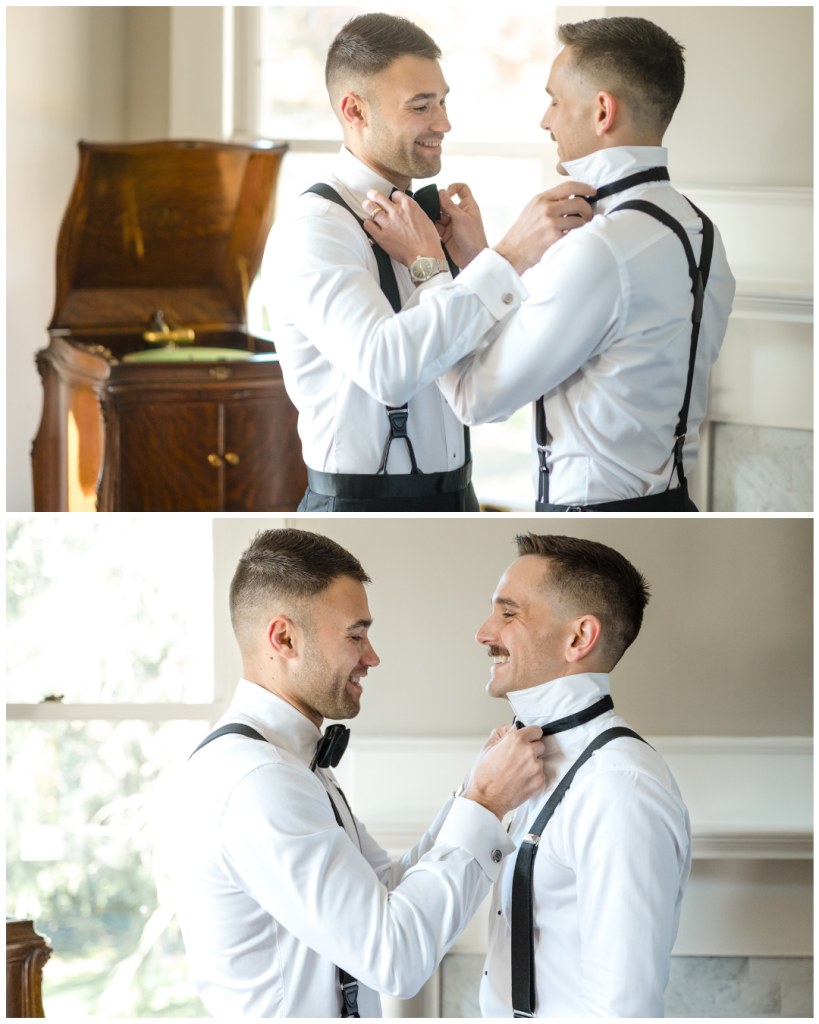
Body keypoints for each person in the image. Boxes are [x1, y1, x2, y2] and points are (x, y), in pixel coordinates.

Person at [167, 528, 547, 1018]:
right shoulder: (258, 783)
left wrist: (474, 792)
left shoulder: (289, 763)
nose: (372, 656)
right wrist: (487, 805)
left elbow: (386, 889)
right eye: (355, 635)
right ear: (283, 638)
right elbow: (395, 958)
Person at [363, 16, 737, 511]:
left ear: (602, 111)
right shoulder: (700, 229)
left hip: (593, 516)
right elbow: (563, 341)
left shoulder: (600, 248)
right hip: (676, 504)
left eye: (555, 100)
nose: (546, 121)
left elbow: (477, 398)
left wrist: (429, 267)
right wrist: (479, 259)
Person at [262, 13, 593, 512]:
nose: (443, 123)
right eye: (421, 106)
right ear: (355, 110)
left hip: (461, 497)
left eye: (442, 101)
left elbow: (487, 384)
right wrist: (508, 257)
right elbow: (386, 368)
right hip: (361, 509)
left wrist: (472, 260)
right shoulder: (315, 230)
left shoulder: (431, 228)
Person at [474, 533, 691, 1016]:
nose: (484, 632)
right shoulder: (513, 761)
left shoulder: (618, 787)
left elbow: (622, 1009)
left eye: (508, 614)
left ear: (578, 638)